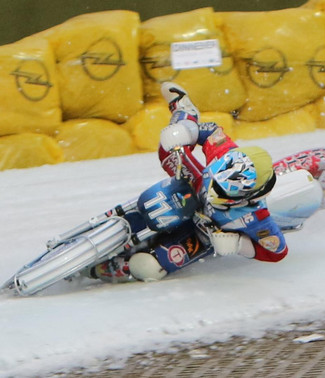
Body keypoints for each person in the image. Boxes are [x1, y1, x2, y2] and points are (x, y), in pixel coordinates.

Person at [90, 82, 287, 282]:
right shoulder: (224, 152)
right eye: (217, 178)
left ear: (249, 196)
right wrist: (186, 132)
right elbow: (210, 131)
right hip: (195, 185)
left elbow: (277, 252)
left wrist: (239, 244)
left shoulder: (257, 217)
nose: (214, 190)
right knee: (168, 148)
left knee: (147, 266)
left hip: (202, 233)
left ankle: (108, 269)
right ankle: (184, 111)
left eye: (224, 190)